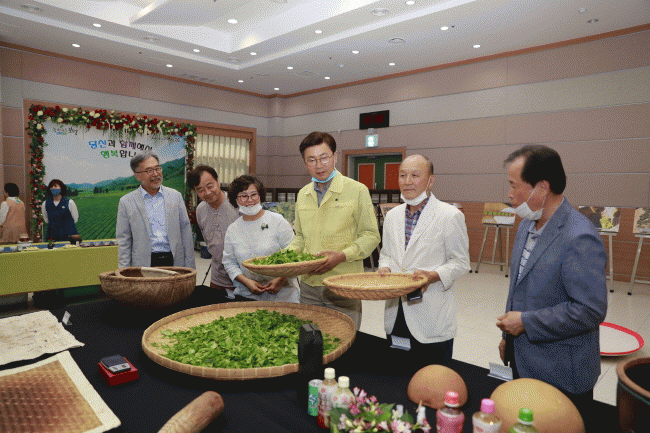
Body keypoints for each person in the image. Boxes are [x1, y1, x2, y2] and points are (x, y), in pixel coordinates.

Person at [496, 144, 607, 427]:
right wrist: (509, 339)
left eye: (514, 185)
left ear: (542, 187)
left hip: (561, 371)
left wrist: (525, 322)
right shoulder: (527, 224)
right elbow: (520, 287)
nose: (509, 194)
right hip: (523, 359)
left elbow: (589, 310)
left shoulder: (579, 236)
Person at [378, 155, 470, 369]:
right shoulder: (392, 216)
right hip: (396, 314)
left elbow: (461, 262)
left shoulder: (449, 215)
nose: (407, 181)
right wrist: (385, 267)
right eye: (402, 175)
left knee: (432, 380)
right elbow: (387, 253)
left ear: (430, 181)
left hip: (431, 317)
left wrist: (433, 276)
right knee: (396, 376)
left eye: (415, 175)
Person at [288, 131, 380, 329]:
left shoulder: (357, 190)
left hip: (343, 284)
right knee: (311, 340)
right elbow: (300, 238)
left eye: (324, 158)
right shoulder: (303, 194)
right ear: (305, 163)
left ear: (335, 157)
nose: (319, 165)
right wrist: (283, 259)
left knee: (343, 337)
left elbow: (371, 235)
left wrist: (342, 256)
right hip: (309, 286)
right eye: (311, 160)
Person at [222, 175, 299, 302]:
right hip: (247, 295)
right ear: (235, 199)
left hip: (283, 295)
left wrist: (280, 279)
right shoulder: (233, 229)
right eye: (243, 196)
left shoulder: (277, 221)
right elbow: (229, 262)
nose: (250, 200)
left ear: (260, 195)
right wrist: (246, 282)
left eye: (254, 195)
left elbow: (294, 254)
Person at [116, 151, 195, 268]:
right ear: (137, 175)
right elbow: (124, 240)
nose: (156, 174)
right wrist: (124, 270)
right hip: (143, 264)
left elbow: (186, 232)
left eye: (157, 168)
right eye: (149, 170)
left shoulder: (175, 196)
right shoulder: (126, 202)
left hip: (174, 261)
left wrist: (190, 267)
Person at [188, 165, 239, 293]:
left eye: (210, 186)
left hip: (242, 277)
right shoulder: (200, 210)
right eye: (200, 190)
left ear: (218, 181)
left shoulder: (236, 204)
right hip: (218, 277)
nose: (207, 193)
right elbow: (209, 241)